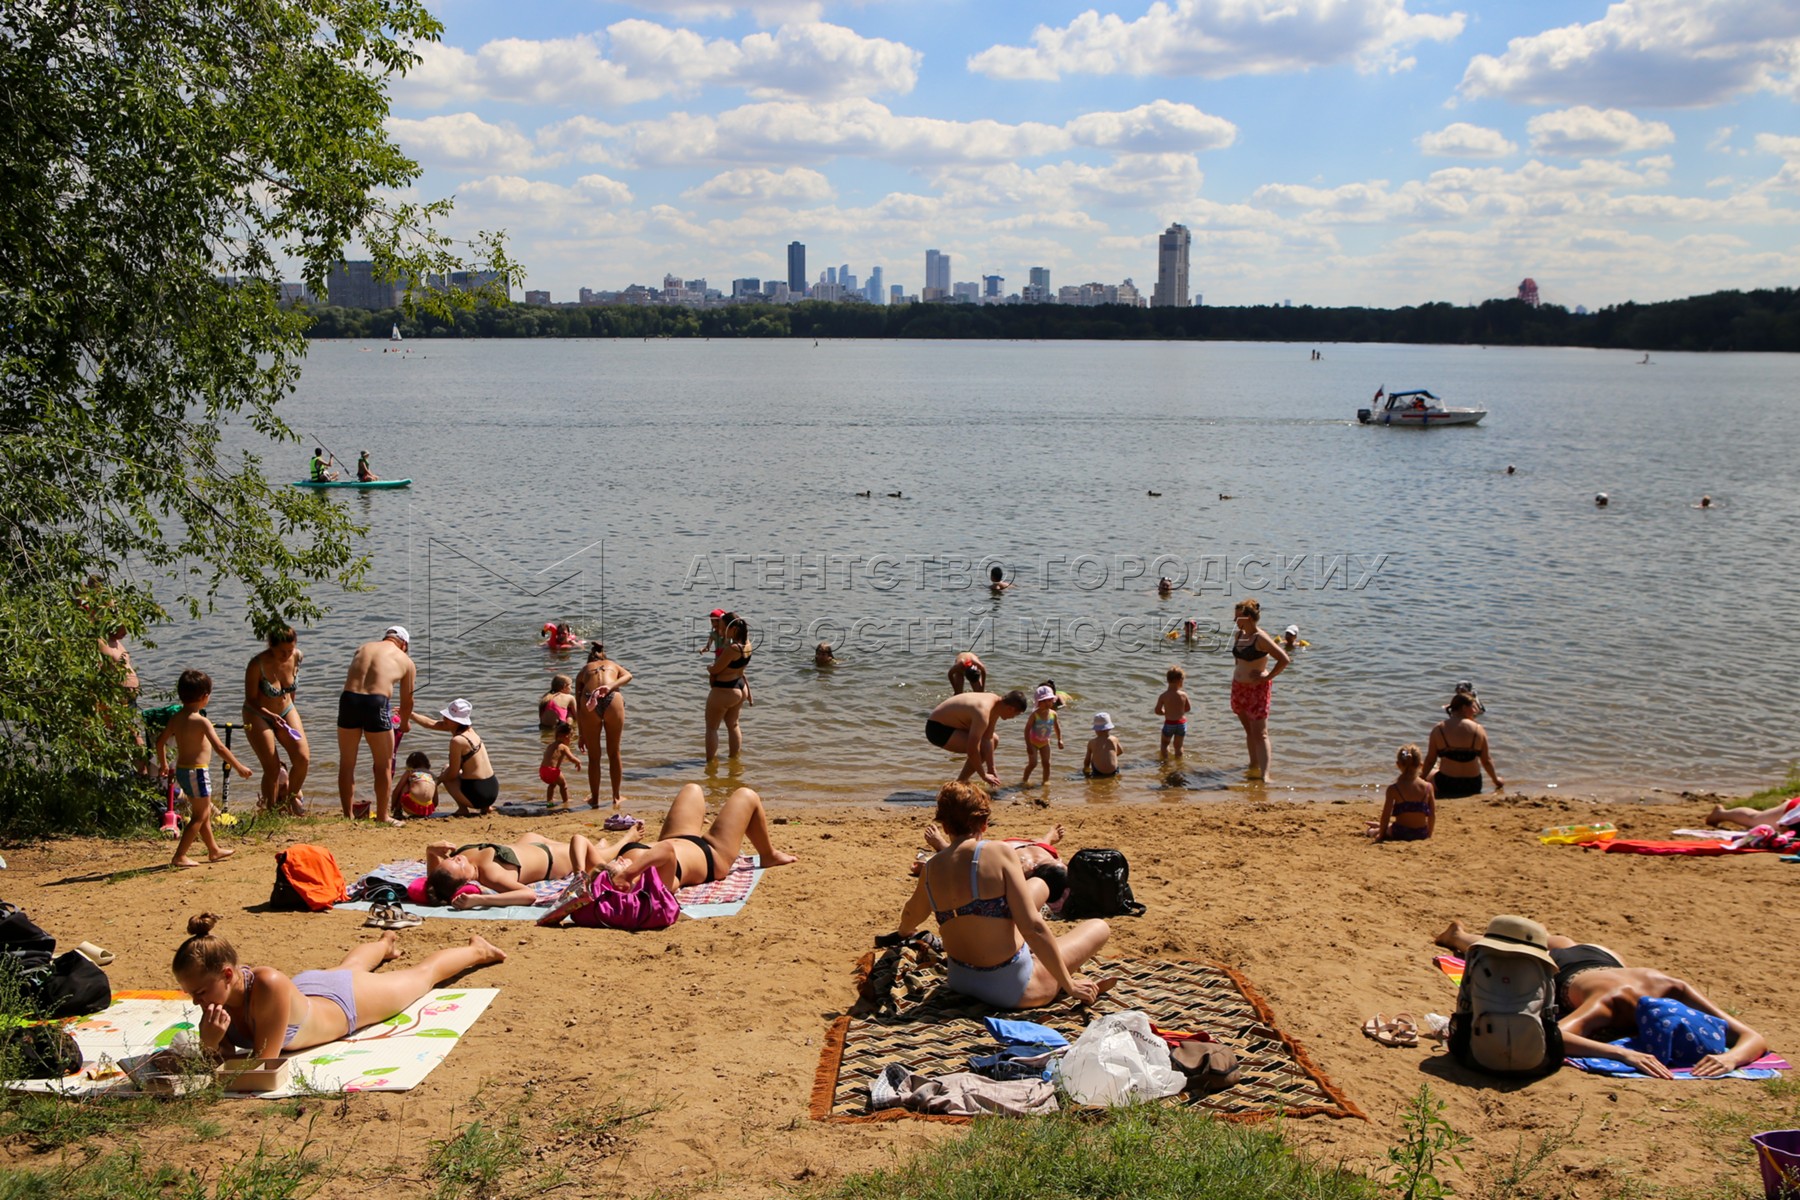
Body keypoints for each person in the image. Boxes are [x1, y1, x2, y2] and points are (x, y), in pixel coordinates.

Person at [1433, 919, 1769, 1079]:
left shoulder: (1673, 987)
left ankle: (1463, 933)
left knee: (1561, 939)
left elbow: (1753, 1038)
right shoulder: (1610, 1003)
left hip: (1606, 957)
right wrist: (1622, 1052)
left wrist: (1731, 1058)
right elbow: (1558, 1035)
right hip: (1569, 967)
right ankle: (1459, 935)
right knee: (1516, 949)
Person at [892, 782, 1110, 1010]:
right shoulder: (999, 853)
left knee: (1038, 884)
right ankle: (1042, 965)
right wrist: (1070, 984)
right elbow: (1032, 927)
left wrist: (905, 931)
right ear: (984, 824)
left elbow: (911, 913)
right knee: (1098, 926)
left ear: (944, 826)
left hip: (961, 980)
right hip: (1014, 989)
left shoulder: (931, 868)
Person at [171, 913, 503, 1058]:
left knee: (422, 975)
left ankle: (478, 949)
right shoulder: (218, 1004)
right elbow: (219, 1062)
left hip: (345, 1002)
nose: (197, 1002)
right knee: (351, 966)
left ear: (228, 975)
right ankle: (385, 945)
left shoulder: (267, 985)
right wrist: (211, 1043)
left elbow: (262, 1066)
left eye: (200, 992)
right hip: (309, 989)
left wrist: (212, 1046)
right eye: (191, 994)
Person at [155, 670, 253, 868]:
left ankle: (213, 850)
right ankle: (180, 855)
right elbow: (220, 747)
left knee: (204, 811)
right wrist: (238, 766)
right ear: (205, 696)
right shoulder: (201, 721)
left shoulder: (176, 717)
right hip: (196, 772)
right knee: (200, 815)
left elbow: (160, 742)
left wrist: (164, 764)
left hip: (183, 770)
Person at [336, 626, 415, 825]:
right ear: (404, 645)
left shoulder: (363, 648)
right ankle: (382, 816)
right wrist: (404, 723)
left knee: (347, 763)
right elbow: (407, 702)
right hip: (375, 703)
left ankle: (348, 816)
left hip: (348, 700)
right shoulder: (405, 660)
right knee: (383, 765)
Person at [423, 832, 612, 907]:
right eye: (457, 864)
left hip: (529, 843)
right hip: (553, 859)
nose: (456, 858)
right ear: (464, 882)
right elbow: (528, 895)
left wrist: (430, 851)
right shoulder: (490, 875)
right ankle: (628, 837)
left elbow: (435, 879)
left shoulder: (462, 862)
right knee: (605, 854)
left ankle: (601, 845)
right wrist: (480, 900)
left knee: (597, 850)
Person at [243, 627, 308, 815]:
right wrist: (271, 716)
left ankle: (290, 799)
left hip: (286, 709)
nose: (286, 655)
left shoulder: (297, 656)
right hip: (258, 713)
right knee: (272, 767)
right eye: (282, 651)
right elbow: (250, 699)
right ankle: (271, 810)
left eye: (290, 650)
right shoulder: (257, 664)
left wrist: (289, 713)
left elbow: (291, 689)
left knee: (302, 758)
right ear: (271, 646)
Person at [1228, 599, 1291, 781]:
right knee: (1249, 732)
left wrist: (1267, 677)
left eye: (1238, 617)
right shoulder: (1239, 635)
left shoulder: (1260, 637)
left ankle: (1265, 775)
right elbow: (1238, 661)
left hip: (1257, 690)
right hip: (1239, 688)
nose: (1234, 620)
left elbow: (1284, 659)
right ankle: (1253, 765)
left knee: (1261, 733)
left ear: (1247, 617)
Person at [411, 698, 500, 816]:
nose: (444, 719)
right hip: (492, 789)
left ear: (457, 721)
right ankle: (486, 807)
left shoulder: (457, 741)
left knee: (446, 770)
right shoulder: (470, 731)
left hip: (479, 795)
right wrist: (410, 714)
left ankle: (462, 809)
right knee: (457, 770)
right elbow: (430, 723)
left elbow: (452, 774)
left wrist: (437, 780)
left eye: (448, 717)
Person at [925, 690, 1029, 786]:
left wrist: (991, 768)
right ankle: (960, 784)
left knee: (995, 739)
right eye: (1016, 714)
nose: (1013, 717)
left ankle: (960, 783)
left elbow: (988, 738)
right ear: (1010, 708)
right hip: (937, 729)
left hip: (952, 725)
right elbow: (972, 749)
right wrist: (983, 775)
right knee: (980, 749)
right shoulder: (983, 712)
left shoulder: (996, 704)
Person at [575, 643, 634, 808]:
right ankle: (616, 796)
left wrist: (581, 735)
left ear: (589, 659)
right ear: (604, 658)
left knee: (594, 757)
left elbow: (578, 706)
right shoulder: (612, 665)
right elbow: (628, 676)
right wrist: (610, 686)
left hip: (588, 699)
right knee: (614, 752)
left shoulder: (583, 670)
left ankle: (595, 798)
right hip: (611, 697)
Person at [1421, 687, 1502, 798]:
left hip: (1446, 784)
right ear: (1464, 708)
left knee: (1432, 771)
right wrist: (1496, 781)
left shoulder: (1439, 729)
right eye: (1473, 707)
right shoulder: (1479, 729)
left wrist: (1421, 778)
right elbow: (1486, 761)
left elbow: (1430, 760)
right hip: (1473, 785)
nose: (1475, 711)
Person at [705, 614, 752, 762]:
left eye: (724, 628)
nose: (721, 631)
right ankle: (734, 760)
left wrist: (709, 667)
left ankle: (710, 765)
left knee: (712, 728)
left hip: (725, 689)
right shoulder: (747, 644)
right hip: (740, 685)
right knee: (733, 725)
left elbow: (716, 669)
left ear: (733, 629)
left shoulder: (732, 648)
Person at [1369, 745, 1434, 841]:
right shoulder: (1428, 787)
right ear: (1421, 765)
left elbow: (1386, 816)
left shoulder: (1394, 789)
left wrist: (1381, 835)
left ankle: (1377, 828)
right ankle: (1383, 827)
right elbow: (1432, 815)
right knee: (1392, 826)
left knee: (1372, 831)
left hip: (1400, 832)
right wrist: (1429, 834)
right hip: (1421, 833)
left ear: (1398, 764)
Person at [1021, 684, 1063, 786]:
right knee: (1033, 763)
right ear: (1038, 702)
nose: (1047, 703)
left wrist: (1059, 739)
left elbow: (1057, 727)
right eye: (1044, 701)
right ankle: (1024, 780)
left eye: (1049, 700)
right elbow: (1027, 730)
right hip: (1033, 743)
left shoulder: (1053, 714)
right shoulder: (1034, 715)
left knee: (1047, 763)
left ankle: (1045, 781)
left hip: (1045, 743)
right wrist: (1028, 745)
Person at [540, 723, 581, 810]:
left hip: (543, 770)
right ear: (566, 737)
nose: (570, 740)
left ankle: (549, 802)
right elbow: (571, 758)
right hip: (552, 771)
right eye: (571, 737)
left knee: (552, 785)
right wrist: (578, 762)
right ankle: (565, 801)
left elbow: (550, 757)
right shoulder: (564, 747)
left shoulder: (550, 745)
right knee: (563, 785)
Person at [1704, 795, 1800, 830]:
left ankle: (1785, 806)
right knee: (1754, 818)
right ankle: (1721, 813)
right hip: (1792, 811)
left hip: (1795, 809)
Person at [391, 750, 440, 819]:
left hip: (410, 807)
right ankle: (421, 814)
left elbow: (396, 791)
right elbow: (436, 801)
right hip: (426, 810)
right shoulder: (432, 776)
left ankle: (398, 812)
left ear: (410, 764)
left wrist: (393, 806)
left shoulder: (410, 772)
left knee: (405, 785)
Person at [1155, 665, 1191, 757]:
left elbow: (1157, 710)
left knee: (1165, 744)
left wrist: (1165, 712)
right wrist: (1179, 711)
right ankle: (1179, 764)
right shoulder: (1184, 695)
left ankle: (1165, 764)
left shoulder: (1163, 696)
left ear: (1167, 680)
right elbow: (1188, 708)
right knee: (1178, 747)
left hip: (1169, 723)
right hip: (1181, 723)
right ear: (1180, 680)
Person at [1083, 713, 1122, 778]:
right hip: (1113, 770)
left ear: (1096, 729)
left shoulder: (1092, 742)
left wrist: (1085, 769)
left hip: (1098, 771)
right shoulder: (1114, 739)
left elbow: (1087, 760)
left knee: (1093, 759)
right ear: (1109, 728)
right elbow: (1121, 751)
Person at [538, 673, 576, 740]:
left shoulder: (545, 697)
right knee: (570, 712)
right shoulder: (570, 697)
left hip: (543, 727)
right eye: (570, 687)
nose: (571, 689)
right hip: (559, 726)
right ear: (564, 687)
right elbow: (577, 716)